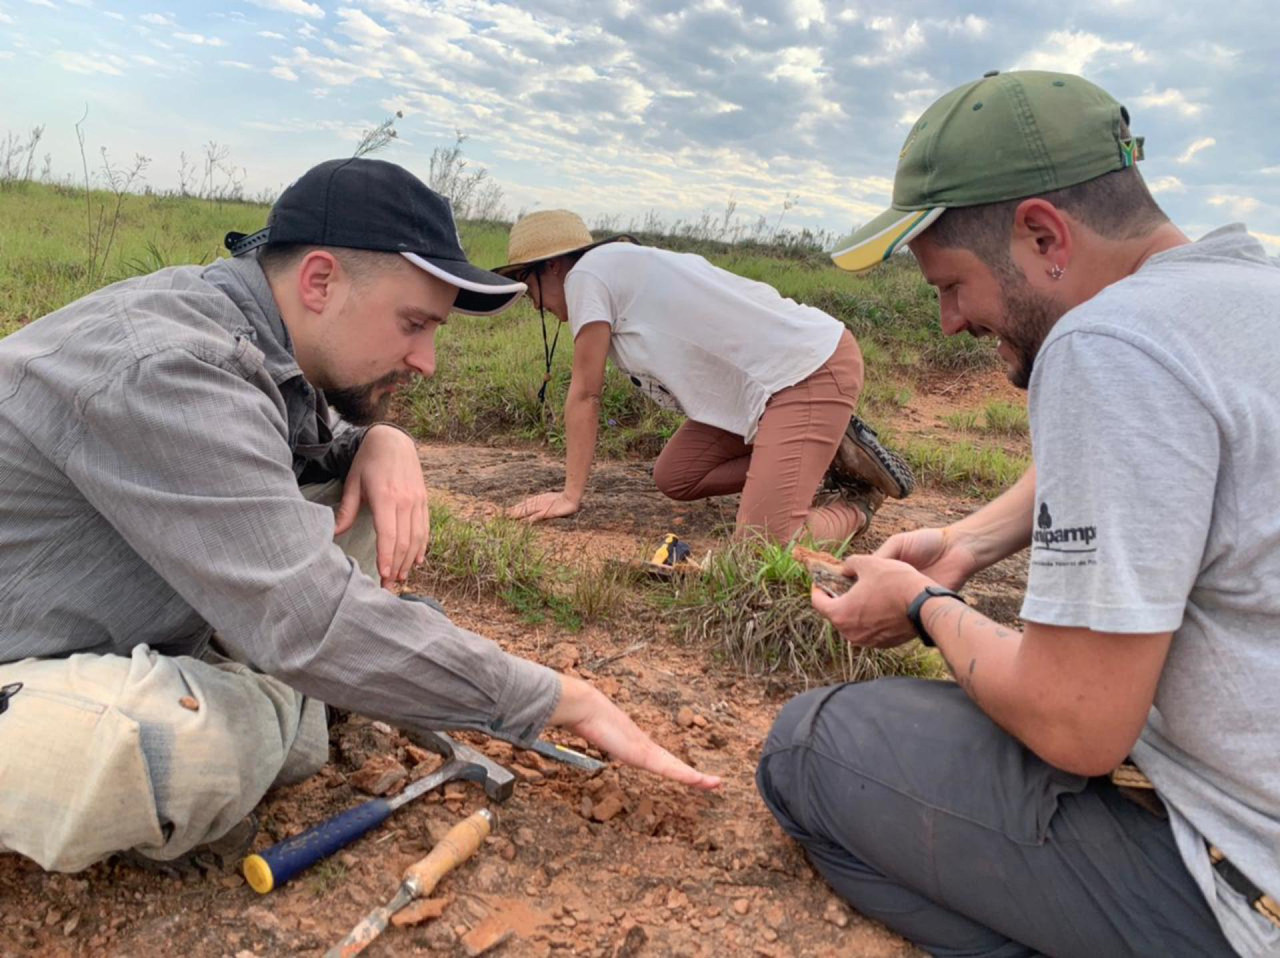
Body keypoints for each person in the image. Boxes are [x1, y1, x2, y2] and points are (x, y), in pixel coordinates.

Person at [0, 157, 717, 875]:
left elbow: (271, 458)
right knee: (186, 750)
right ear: (320, 281)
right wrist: (556, 698)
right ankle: (294, 706)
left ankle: (307, 688)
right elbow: (311, 622)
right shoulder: (173, 365)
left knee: (352, 495)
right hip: (21, 644)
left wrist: (376, 440)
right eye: (414, 324)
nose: (427, 360)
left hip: (92, 607)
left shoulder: (250, 333)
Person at [757, 70, 1279, 957]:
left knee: (810, 747)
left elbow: (1076, 722)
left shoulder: (1107, 344)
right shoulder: (1239, 301)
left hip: (1247, 892)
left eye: (952, 284)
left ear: (1043, 235)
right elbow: (1171, 460)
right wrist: (966, 541)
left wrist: (926, 609)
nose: (951, 320)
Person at [494, 210, 914, 544]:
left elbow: (585, 393)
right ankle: (826, 459)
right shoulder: (614, 268)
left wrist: (570, 496)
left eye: (527, 287)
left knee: (763, 546)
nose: (534, 305)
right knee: (677, 475)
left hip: (807, 370)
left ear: (551, 267)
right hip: (766, 389)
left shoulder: (586, 274)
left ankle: (857, 504)